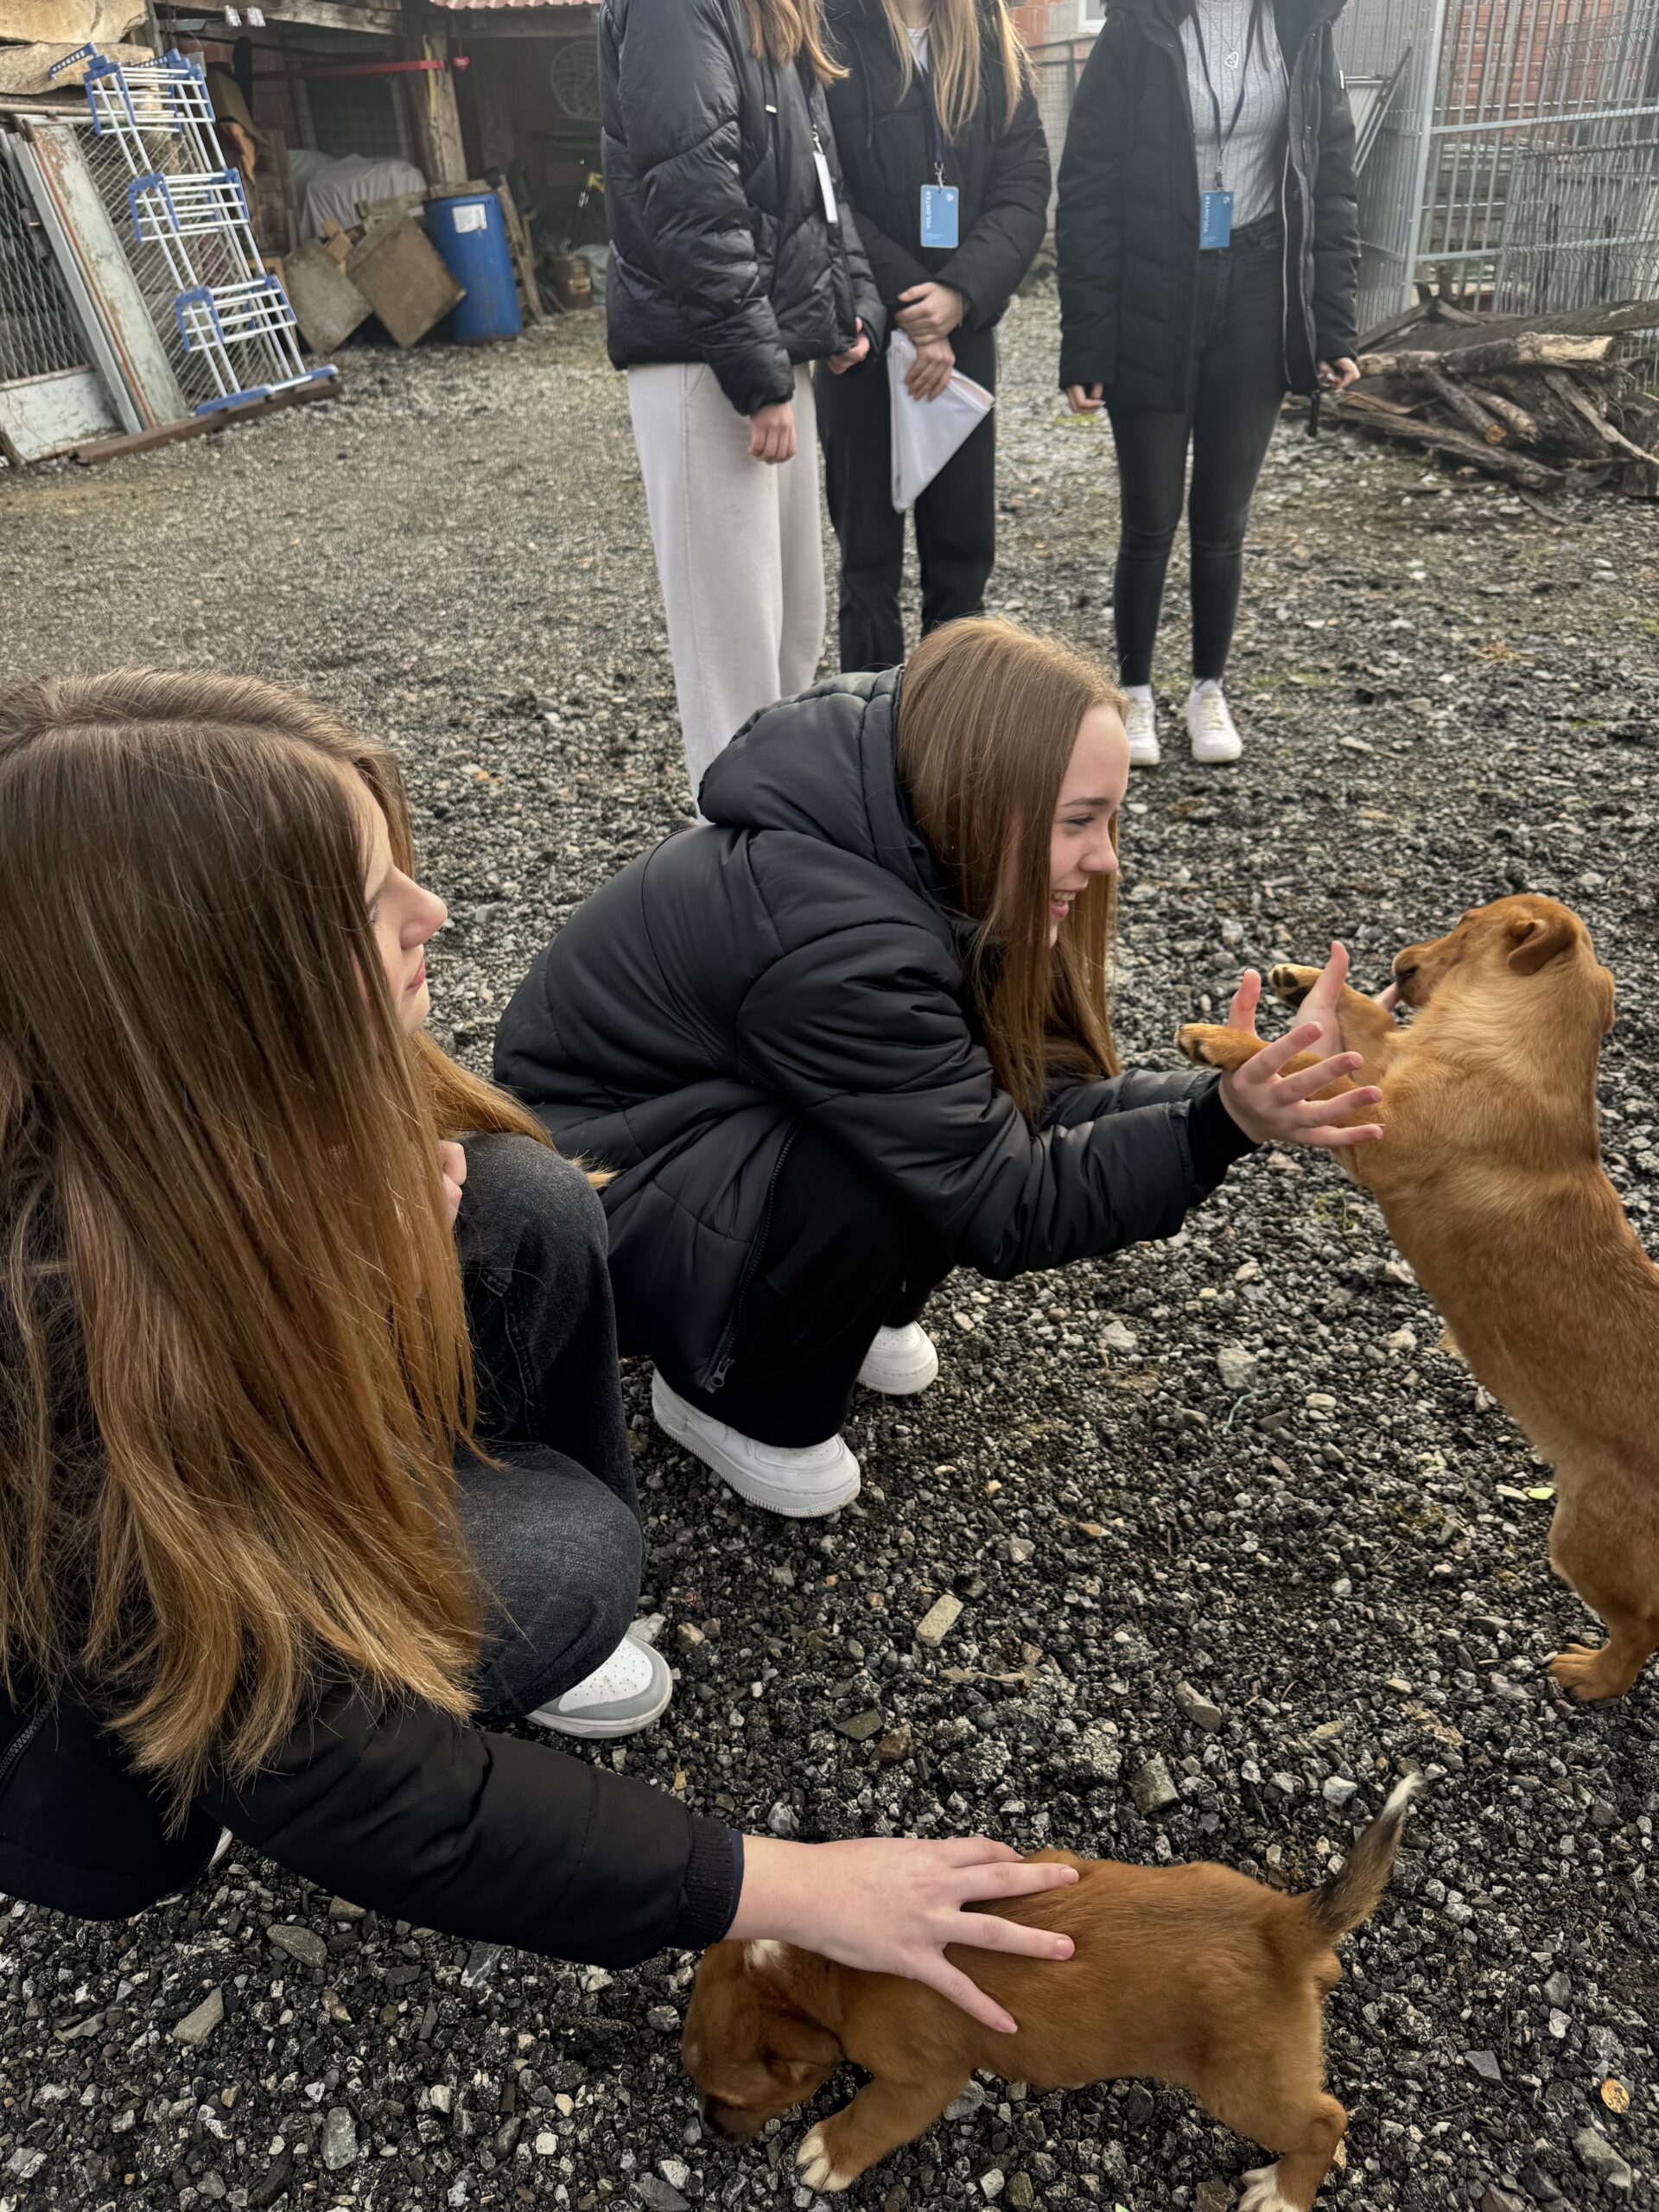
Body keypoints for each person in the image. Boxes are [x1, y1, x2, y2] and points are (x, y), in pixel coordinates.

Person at [0, 667, 1088, 2027]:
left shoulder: (159, 1113)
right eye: (370, 902)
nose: (435, 914)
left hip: (238, 1476)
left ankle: (467, 1614)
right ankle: (156, 1813)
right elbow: (333, 1768)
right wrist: (782, 1887)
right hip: (102, 1713)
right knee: (556, 1563)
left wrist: (358, 1260)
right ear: (209, 990)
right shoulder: (58, 1329)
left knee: (518, 1196)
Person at [495, 619, 1382, 1514]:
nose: (1106, 856)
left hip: (698, 1127)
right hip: (589, 1199)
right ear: (981, 796)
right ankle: (729, 1393)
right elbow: (1006, 1200)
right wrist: (1221, 1128)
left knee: (935, 1110)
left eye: (1111, 819)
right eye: (1079, 821)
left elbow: (1022, 1104)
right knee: (883, 1158)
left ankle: (834, 1313)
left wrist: (1225, 1097)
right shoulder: (838, 937)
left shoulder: (915, 843)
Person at [1055, 0, 1360, 768]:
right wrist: (1087, 344)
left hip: (1258, 287)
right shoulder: (1138, 27)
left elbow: (1330, 178)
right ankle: (1134, 692)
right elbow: (1088, 187)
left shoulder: (1302, 28)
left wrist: (1331, 326)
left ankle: (1207, 689)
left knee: (1223, 517)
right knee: (1151, 513)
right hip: (1155, 288)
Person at [602, 0, 886, 807]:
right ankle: (737, 852)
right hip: (709, 365)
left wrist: (850, 306)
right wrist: (760, 377)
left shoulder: (773, 14)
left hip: (765, 354)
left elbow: (819, 183)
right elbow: (692, 194)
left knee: (791, 631)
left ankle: (780, 836)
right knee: (732, 654)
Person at [817, 0, 1050, 670]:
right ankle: (872, 721)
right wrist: (915, 307)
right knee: (868, 561)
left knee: (961, 558)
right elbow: (826, 189)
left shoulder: (991, 42)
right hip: (862, 331)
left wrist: (961, 293)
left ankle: (952, 721)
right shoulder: (828, 34)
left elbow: (1024, 187)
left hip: (964, 332)